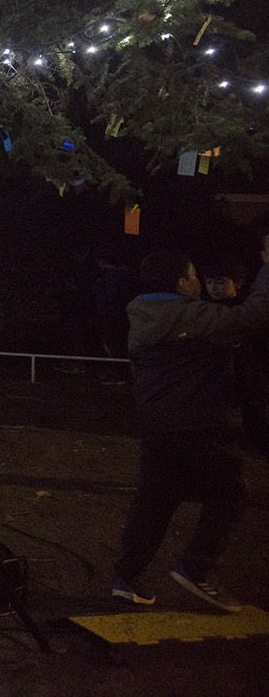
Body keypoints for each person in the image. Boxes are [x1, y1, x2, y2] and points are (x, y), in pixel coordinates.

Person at [110, 245, 269, 611]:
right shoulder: (187, 315)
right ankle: (195, 569)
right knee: (230, 493)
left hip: (157, 425)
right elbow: (253, 315)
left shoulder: (143, 315)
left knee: (155, 499)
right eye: (195, 277)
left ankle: (126, 579)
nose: (199, 284)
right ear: (182, 282)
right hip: (198, 424)